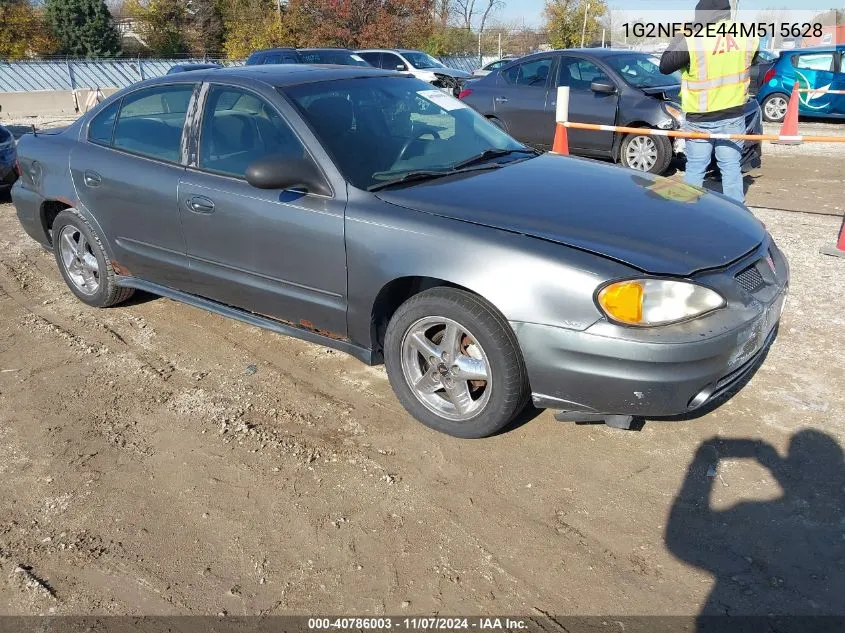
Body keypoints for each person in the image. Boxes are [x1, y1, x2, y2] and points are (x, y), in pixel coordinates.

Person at [660, 0, 758, 204]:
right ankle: (738, 217)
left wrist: (680, 34)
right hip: (733, 114)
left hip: (700, 116)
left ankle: (691, 215)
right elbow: (752, 61)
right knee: (731, 168)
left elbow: (665, 65)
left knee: (696, 168)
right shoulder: (747, 35)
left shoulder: (694, 39)